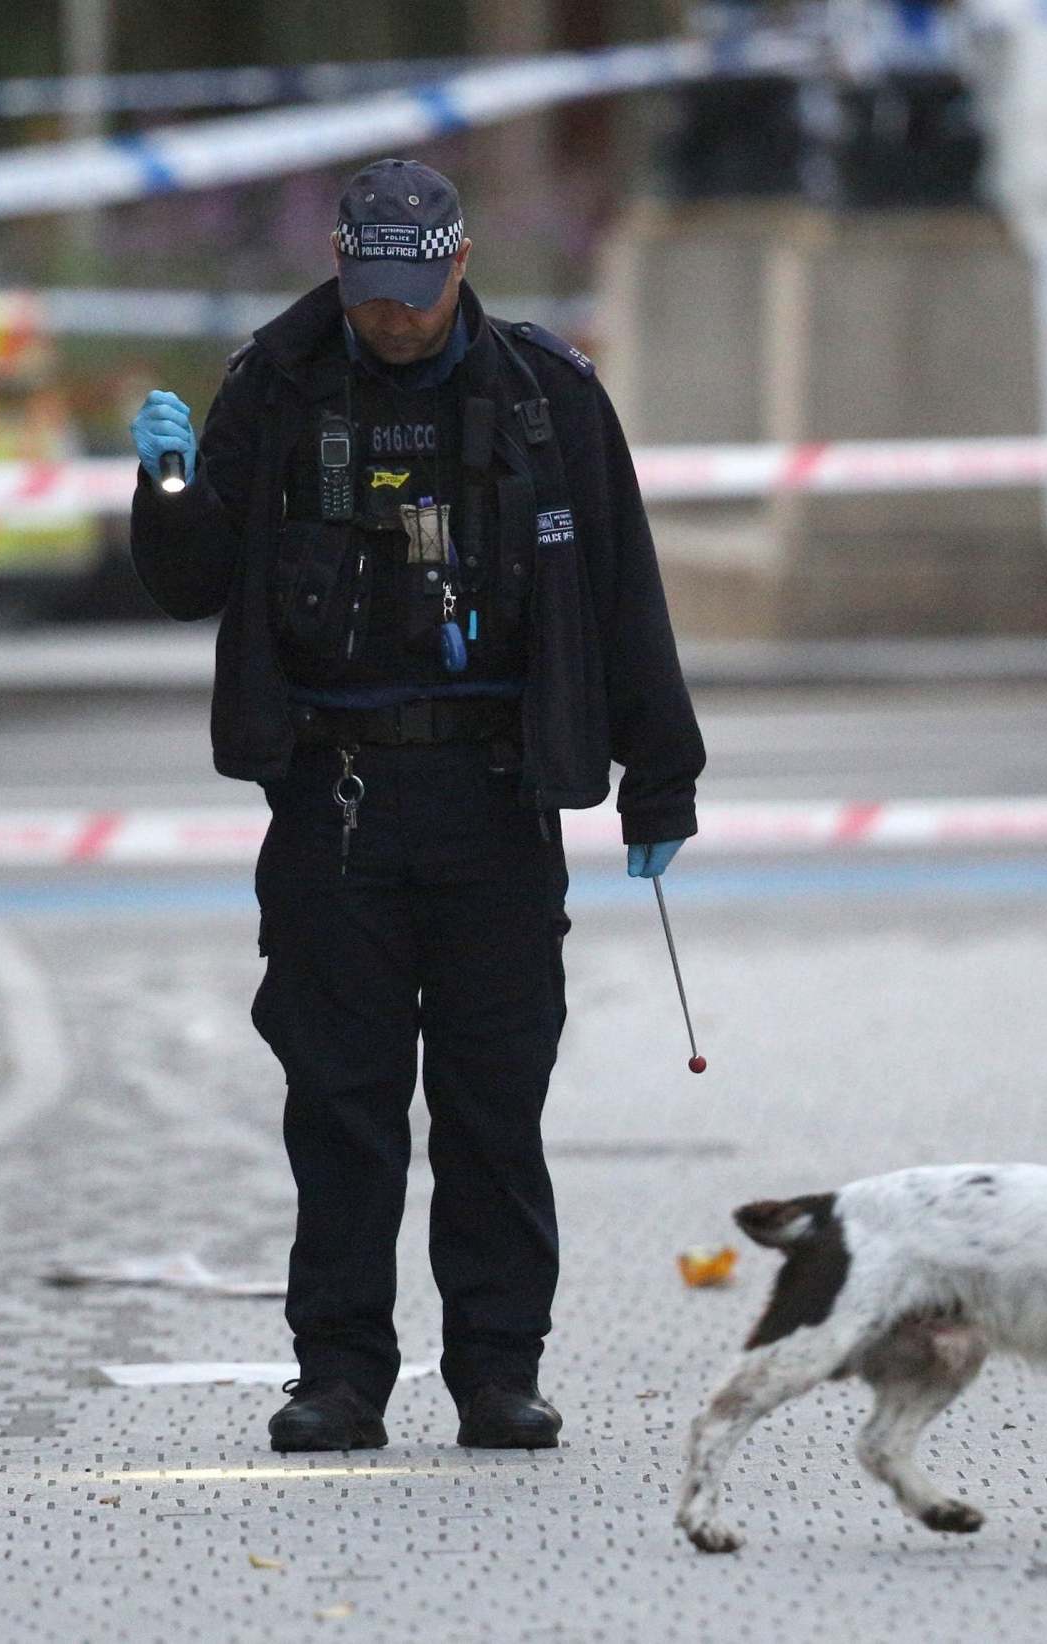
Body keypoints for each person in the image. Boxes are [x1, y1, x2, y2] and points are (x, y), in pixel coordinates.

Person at [127, 159, 705, 1452]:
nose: (395, 319)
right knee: (341, 1099)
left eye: (415, 291)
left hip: (496, 797)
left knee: (495, 1099)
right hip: (334, 800)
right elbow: (191, 580)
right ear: (341, 266)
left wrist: (660, 771)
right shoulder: (275, 387)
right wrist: (167, 490)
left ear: (455, 265)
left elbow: (623, 590)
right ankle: (337, 1373)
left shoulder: (547, 396)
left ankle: (498, 1367)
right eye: (371, 293)